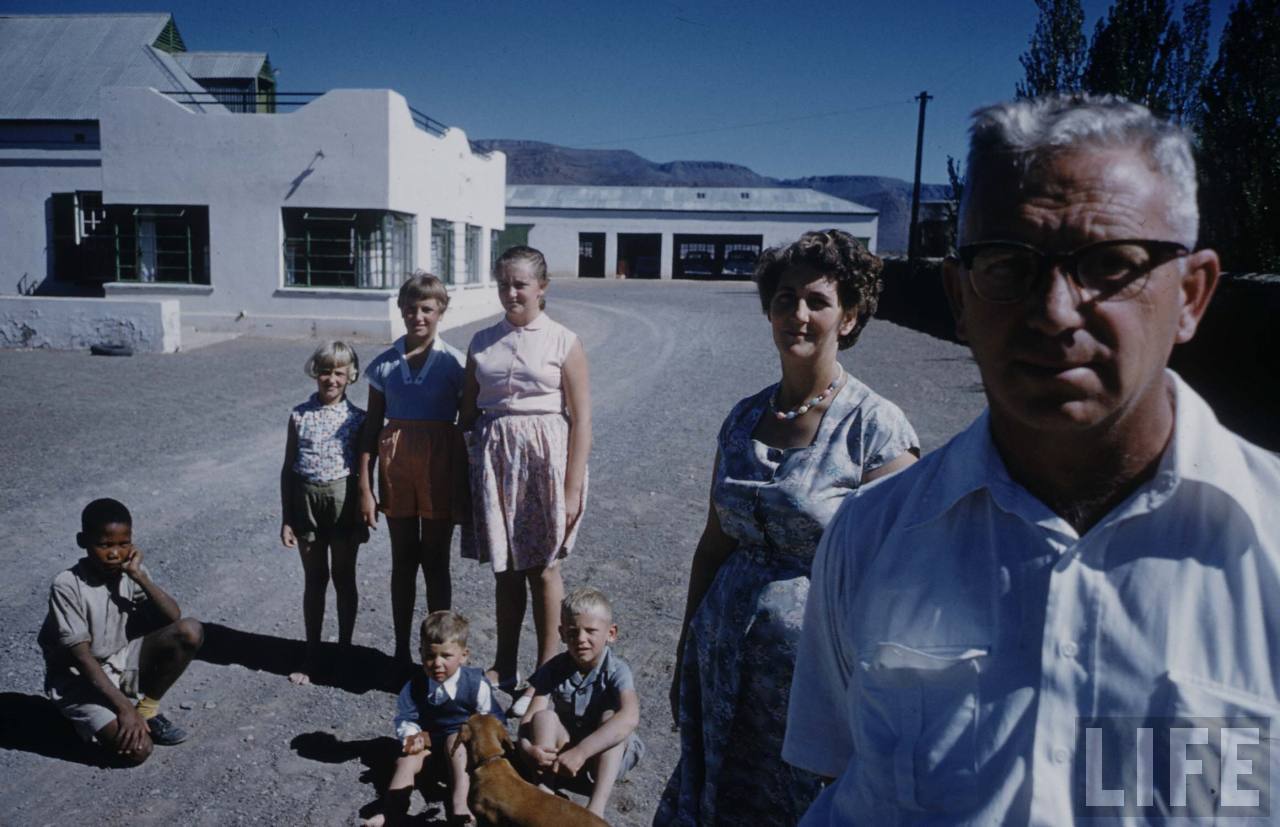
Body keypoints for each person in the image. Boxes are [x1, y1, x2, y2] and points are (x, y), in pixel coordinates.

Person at [785, 94, 1280, 823]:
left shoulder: (1268, 544)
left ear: (1191, 296)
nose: (1054, 311)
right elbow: (839, 777)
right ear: (959, 296)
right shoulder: (871, 538)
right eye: (1006, 265)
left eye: (1110, 264)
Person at [655, 230, 920, 825]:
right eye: (784, 299)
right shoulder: (743, 417)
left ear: (849, 317)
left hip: (817, 684)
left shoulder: (876, 429)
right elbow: (713, 546)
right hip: (723, 663)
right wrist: (686, 648)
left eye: (817, 301)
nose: (797, 314)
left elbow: (903, 581)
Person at [459, 246, 591, 715]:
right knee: (506, 567)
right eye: (504, 284)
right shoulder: (481, 342)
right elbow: (467, 412)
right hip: (494, 459)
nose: (511, 293)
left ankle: (545, 673)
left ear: (542, 287)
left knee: (544, 567)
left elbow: (582, 419)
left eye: (520, 284)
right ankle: (505, 665)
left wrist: (571, 488)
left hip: (545, 462)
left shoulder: (563, 341)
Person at [38, 498, 204, 762]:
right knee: (138, 751)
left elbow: (173, 616)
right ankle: (75, 718)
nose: (115, 553)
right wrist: (125, 709)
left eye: (123, 544)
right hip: (80, 681)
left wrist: (139, 576)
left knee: (190, 630)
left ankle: (147, 710)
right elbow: (82, 659)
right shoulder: (67, 585)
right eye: (104, 545)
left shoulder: (130, 573)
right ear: (82, 541)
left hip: (120, 662)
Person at [359, 273, 468, 676]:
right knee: (403, 560)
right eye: (410, 308)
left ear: (441, 311)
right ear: (400, 310)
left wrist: (463, 488)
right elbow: (371, 428)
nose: (418, 316)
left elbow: (467, 426)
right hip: (397, 468)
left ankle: (442, 650)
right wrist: (364, 487)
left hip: (440, 467)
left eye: (427, 309)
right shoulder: (385, 363)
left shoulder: (455, 363)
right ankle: (401, 649)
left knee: (436, 560)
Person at [279, 340, 368, 684]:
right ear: (316, 373)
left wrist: (363, 507)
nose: (332, 379)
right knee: (315, 579)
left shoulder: (357, 418)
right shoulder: (299, 415)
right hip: (306, 503)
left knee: (344, 577)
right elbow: (288, 467)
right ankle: (312, 654)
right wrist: (287, 517)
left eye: (339, 373)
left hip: (343, 502)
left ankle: (345, 652)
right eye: (326, 372)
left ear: (351, 376)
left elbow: (365, 469)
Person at [365, 611, 503, 827]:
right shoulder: (414, 686)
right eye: (430, 656)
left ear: (463, 655)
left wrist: (477, 740)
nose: (437, 663)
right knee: (406, 760)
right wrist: (411, 737)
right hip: (430, 747)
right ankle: (392, 811)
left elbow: (491, 720)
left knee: (454, 741)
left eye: (446, 656)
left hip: (464, 752)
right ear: (420, 653)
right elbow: (406, 717)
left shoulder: (476, 685)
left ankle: (460, 806)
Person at [518, 587, 643, 818]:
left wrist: (582, 752)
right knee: (544, 717)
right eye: (573, 632)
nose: (581, 639)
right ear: (562, 633)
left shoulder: (617, 670)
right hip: (565, 758)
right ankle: (545, 792)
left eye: (591, 631)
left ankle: (595, 810)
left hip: (603, 761)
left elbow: (630, 717)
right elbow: (527, 721)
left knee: (611, 718)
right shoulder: (554, 668)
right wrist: (528, 750)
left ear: (611, 633)